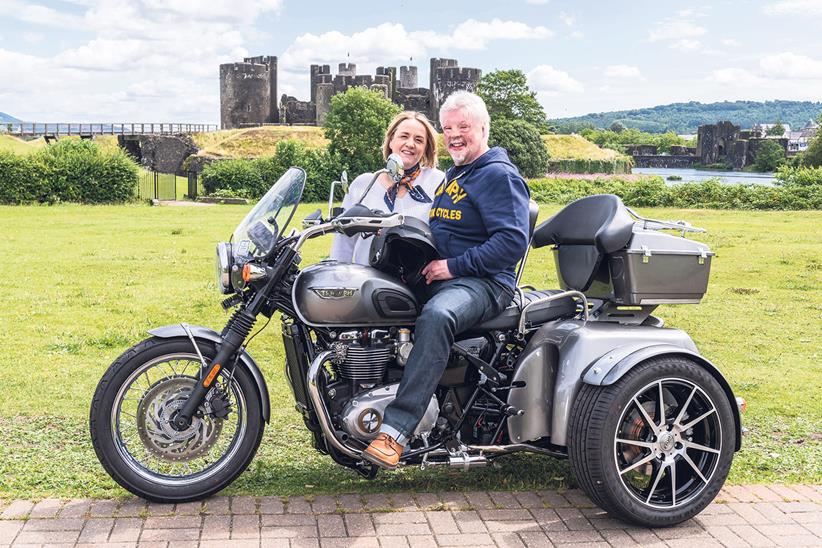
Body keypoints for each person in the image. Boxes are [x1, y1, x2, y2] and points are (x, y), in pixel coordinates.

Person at [362, 91, 531, 469]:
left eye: (463, 127)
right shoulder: (458, 173)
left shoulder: (497, 175)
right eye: (448, 128)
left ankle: (396, 431)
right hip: (449, 276)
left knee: (437, 316)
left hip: (486, 283)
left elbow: (512, 242)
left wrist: (452, 266)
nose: (454, 135)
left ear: (483, 129)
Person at [329, 111, 443, 265]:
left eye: (419, 140)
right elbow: (343, 241)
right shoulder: (363, 184)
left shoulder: (438, 181)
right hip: (367, 281)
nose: (410, 144)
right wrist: (338, 276)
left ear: (425, 148)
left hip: (418, 283)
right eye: (404, 136)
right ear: (390, 141)